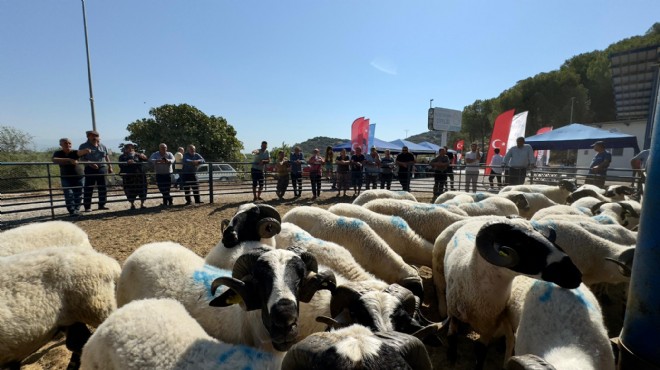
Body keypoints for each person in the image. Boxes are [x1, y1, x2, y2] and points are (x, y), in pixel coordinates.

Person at [52, 138, 91, 217]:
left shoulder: (74, 152)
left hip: (79, 176)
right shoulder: (58, 153)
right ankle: (72, 210)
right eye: (65, 143)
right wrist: (69, 160)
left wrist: (86, 150)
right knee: (68, 194)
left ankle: (76, 210)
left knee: (79, 194)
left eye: (69, 143)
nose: (68, 145)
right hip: (66, 177)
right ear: (61, 145)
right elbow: (54, 160)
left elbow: (80, 153)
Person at [78, 130, 113, 212]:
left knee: (103, 187)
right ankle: (87, 206)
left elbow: (106, 157)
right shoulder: (83, 146)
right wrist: (90, 163)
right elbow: (81, 158)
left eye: (96, 136)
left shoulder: (102, 146)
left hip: (102, 168)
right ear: (88, 137)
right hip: (90, 169)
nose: (95, 137)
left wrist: (110, 166)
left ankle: (102, 204)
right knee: (89, 188)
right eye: (92, 136)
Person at [118, 143, 148, 210]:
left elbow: (146, 160)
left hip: (140, 175)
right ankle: (132, 204)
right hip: (129, 176)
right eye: (128, 148)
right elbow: (120, 165)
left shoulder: (138, 155)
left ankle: (142, 204)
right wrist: (127, 162)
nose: (130, 149)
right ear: (125, 149)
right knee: (130, 190)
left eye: (132, 148)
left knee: (142, 189)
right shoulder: (122, 157)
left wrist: (144, 157)